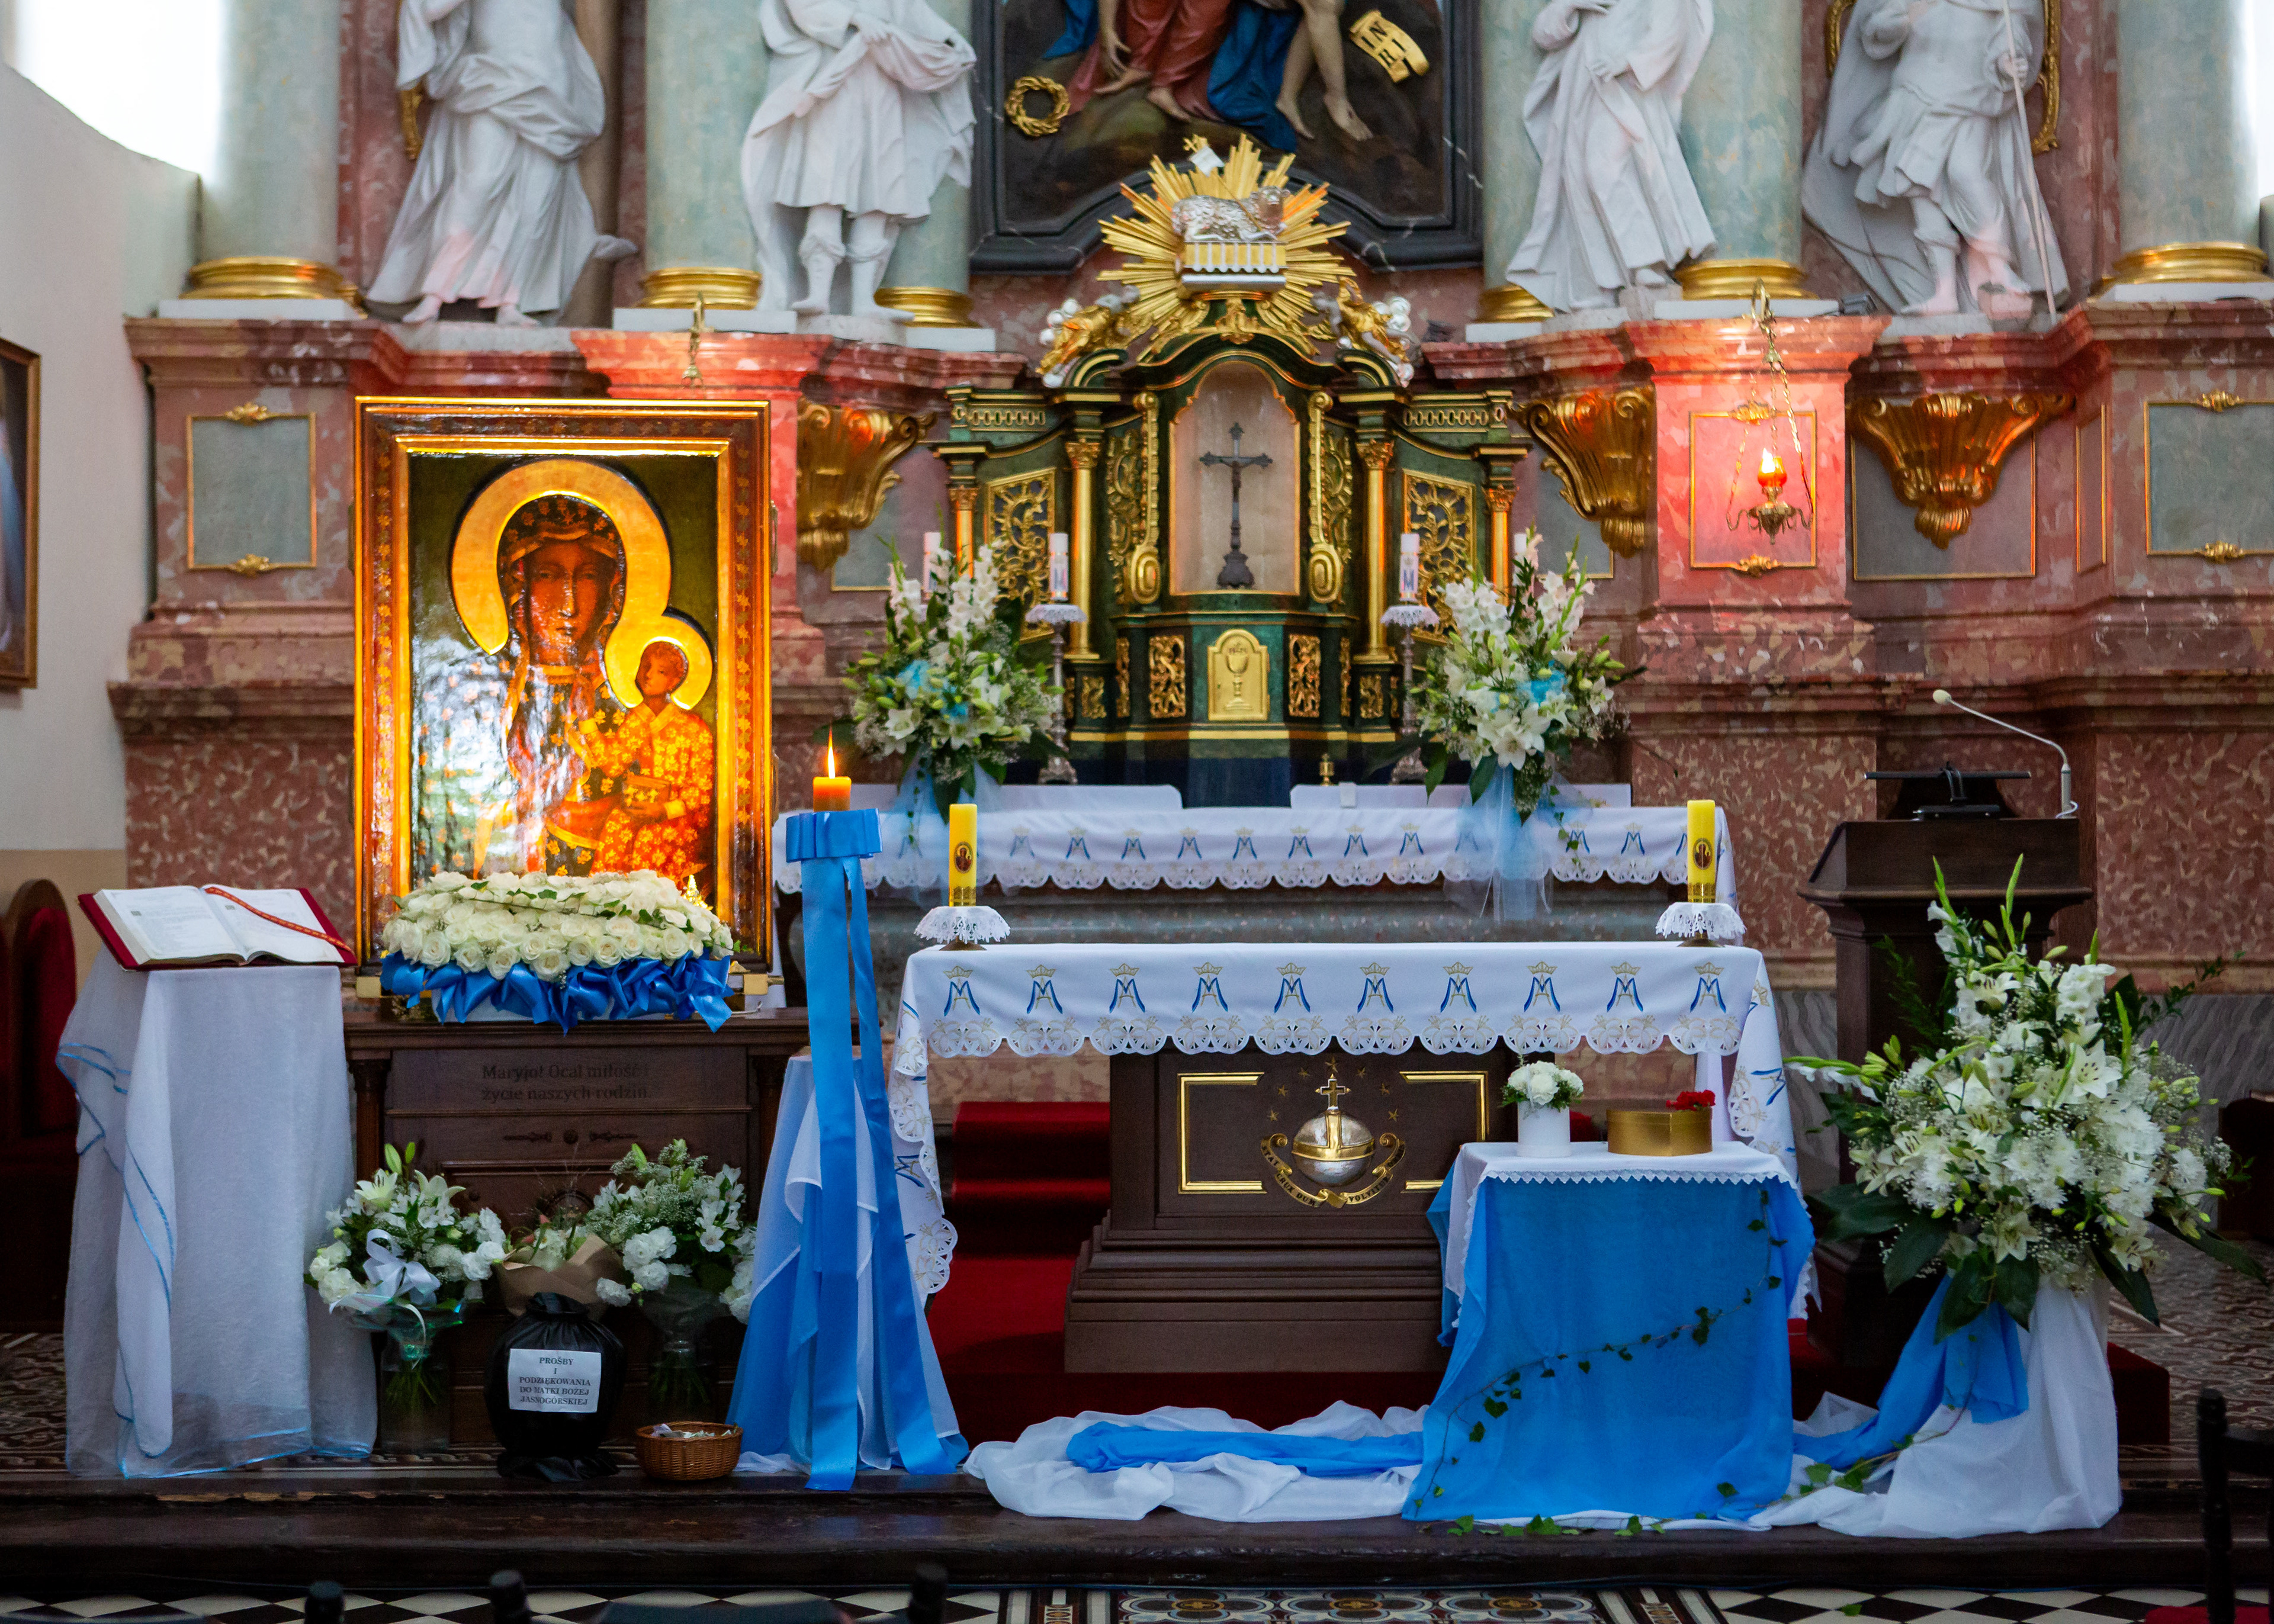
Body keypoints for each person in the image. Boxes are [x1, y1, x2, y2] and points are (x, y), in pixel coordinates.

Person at [369, 0, 634, 326]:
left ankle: (511, 300)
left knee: (534, 201)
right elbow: (427, 8)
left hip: (551, 84)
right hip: (492, 78)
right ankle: (434, 293)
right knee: (475, 185)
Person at [1803, 0, 2066, 317]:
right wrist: (1903, 18)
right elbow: (1878, 33)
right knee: (1917, 186)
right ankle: (1944, 292)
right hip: (1916, 92)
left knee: (1967, 174)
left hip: (1971, 96)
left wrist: (2010, 63)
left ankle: (2000, 267)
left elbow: (2012, 35)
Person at [415, 495, 628, 879]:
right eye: (548, 575)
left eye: (587, 577)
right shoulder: (466, 691)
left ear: (611, 588)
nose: (568, 605)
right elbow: (444, 825)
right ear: (517, 584)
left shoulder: (624, 699)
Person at [741, 0, 977, 319]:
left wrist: (949, 37)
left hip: (881, 84)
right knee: (826, 189)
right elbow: (804, 7)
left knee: (878, 192)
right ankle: (818, 294)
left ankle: (864, 300)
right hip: (834, 80)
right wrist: (855, 18)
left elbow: (909, 9)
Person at [1504, 0, 1716, 312]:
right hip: (1581, 92)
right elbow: (1544, 34)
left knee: (1603, 169)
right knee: (1578, 183)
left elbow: (1670, 29)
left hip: (1623, 91)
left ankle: (1646, 261)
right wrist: (1570, 5)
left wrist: (1627, 62)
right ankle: (1603, 282)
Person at [576, 640, 716, 890]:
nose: (649, 675)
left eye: (660, 671)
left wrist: (664, 811)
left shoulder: (694, 728)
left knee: (648, 840)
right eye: (645, 667)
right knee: (617, 825)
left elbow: (701, 791)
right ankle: (609, 904)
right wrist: (587, 720)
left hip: (680, 817)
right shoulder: (637, 721)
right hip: (643, 808)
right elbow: (613, 764)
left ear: (674, 681)